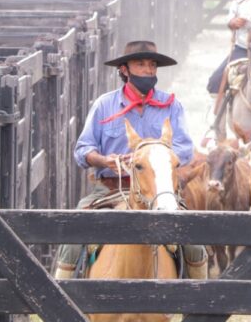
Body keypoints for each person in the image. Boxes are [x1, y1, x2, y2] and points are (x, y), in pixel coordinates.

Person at [54, 40, 207, 280]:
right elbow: (83, 149)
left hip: (160, 192)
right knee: (73, 237)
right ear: (124, 70)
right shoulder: (105, 105)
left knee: (195, 244)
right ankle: (59, 302)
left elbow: (185, 148)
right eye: (141, 64)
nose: (148, 70)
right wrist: (105, 160)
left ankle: (200, 307)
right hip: (110, 190)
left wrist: (155, 154)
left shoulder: (171, 105)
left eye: (152, 65)